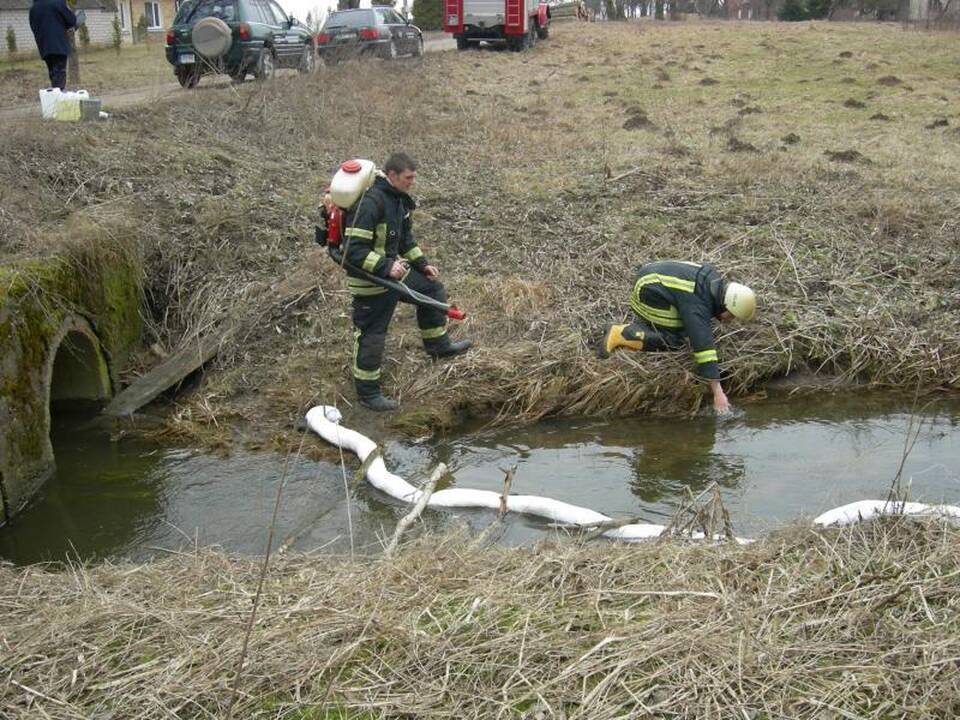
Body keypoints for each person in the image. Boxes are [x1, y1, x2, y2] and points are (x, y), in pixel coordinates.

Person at [342, 152, 472, 411]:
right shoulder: (371, 203)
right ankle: (368, 394)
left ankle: (438, 346)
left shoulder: (397, 201)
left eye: (413, 177)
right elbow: (352, 251)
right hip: (370, 280)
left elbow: (405, 241)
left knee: (431, 290)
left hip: (393, 274)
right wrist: (386, 266)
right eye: (408, 178)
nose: (412, 182)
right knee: (372, 334)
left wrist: (423, 265)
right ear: (392, 176)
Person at [598, 260, 756, 414]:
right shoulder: (698, 303)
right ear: (727, 305)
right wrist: (718, 393)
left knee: (693, 325)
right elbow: (703, 346)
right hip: (645, 294)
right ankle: (622, 334)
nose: (730, 320)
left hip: (651, 277)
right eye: (732, 315)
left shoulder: (713, 280)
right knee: (678, 338)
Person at [29, 0, 84, 91]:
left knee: (53, 73)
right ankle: (59, 98)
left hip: (44, 46)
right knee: (60, 73)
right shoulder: (57, 2)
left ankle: (55, 95)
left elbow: (33, 26)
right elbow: (71, 21)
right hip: (58, 45)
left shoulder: (34, 8)